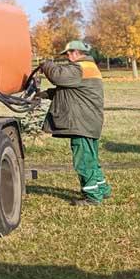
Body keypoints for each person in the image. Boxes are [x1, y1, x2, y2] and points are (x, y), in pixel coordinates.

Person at [37, 40, 112, 205]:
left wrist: (46, 64)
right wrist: (44, 94)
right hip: (89, 122)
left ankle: (92, 197)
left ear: (76, 52)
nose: (67, 57)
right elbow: (70, 90)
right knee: (91, 158)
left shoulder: (80, 68)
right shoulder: (88, 68)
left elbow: (58, 76)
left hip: (81, 123)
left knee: (84, 161)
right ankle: (103, 189)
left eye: (68, 54)